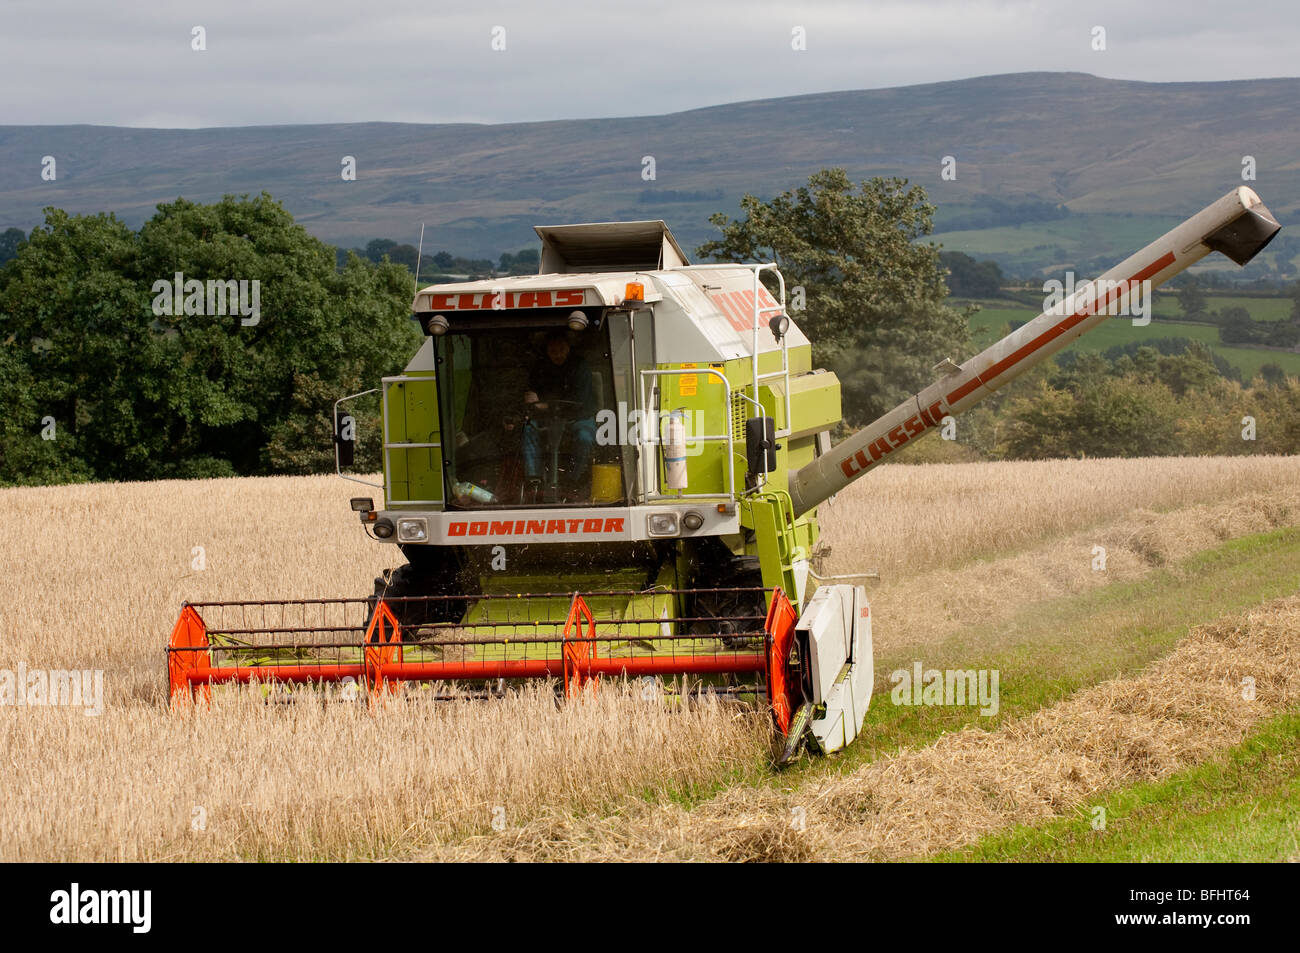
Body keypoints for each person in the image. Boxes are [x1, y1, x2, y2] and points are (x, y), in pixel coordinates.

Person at [522, 330, 596, 497]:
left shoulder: (580, 366)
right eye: (553, 351)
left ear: (568, 348)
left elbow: (580, 400)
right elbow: (530, 394)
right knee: (529, 428)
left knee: (585, 437)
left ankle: (574, 481)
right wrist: (533, 401)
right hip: (548, 419)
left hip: (579, 417)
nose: (558, 355)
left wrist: (544, 404)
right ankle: (534, 481)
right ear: (547, 351)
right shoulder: (540, 368)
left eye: (561, 350)